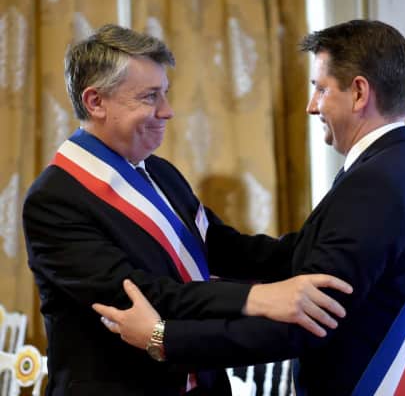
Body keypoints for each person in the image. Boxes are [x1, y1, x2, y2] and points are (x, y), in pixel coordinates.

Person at [94, 19, 405, 395]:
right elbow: (300, 254)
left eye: (321, 89)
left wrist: (163, 337)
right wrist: (206, 238)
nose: (312, 106)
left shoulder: (374, 184)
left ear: (359, 93)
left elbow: (307, 319)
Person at [22, 24, 352, 396]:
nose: (167, 111)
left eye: (165, 93)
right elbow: (140, 295)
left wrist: (324, 248)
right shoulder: (55, 199)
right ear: (96, 102)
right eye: (150, 97)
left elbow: (222, 247)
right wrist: (258, 298)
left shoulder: (160, 172)